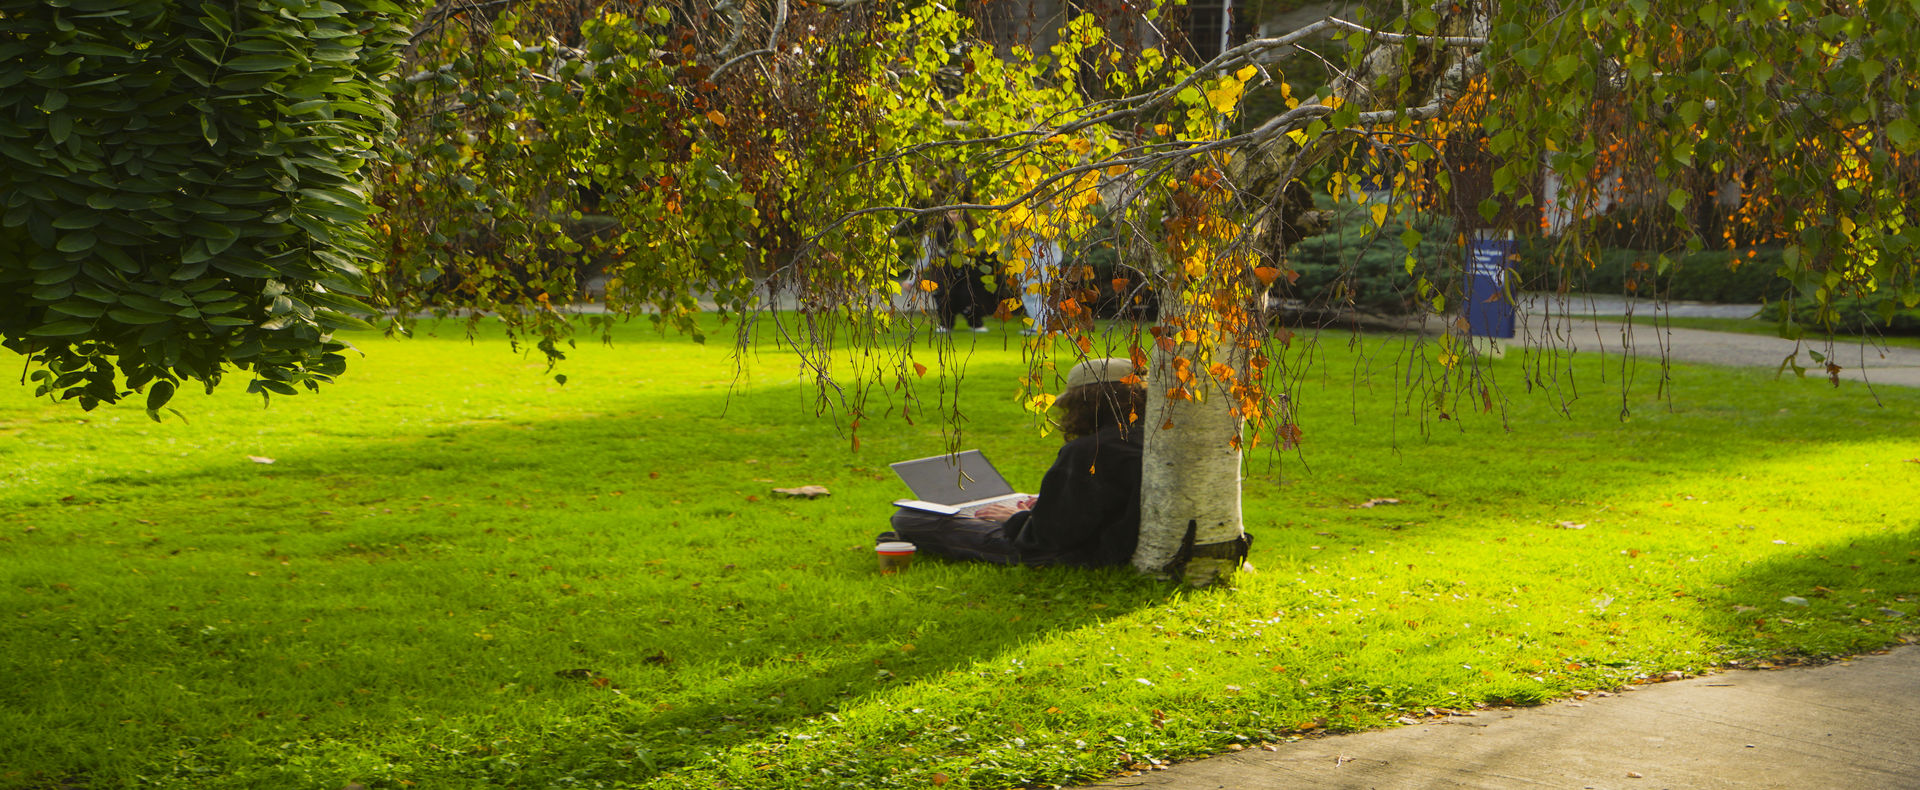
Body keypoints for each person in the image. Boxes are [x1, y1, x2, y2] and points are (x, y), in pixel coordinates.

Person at [880, 358, 1145, 567]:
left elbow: (1049, 536)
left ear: (1083, 405)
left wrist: (1017, 518)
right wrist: (1044, 504)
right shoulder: (1154, 438)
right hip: (1110, 536)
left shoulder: (1090, 450)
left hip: (1075, 552)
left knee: (911, 517)